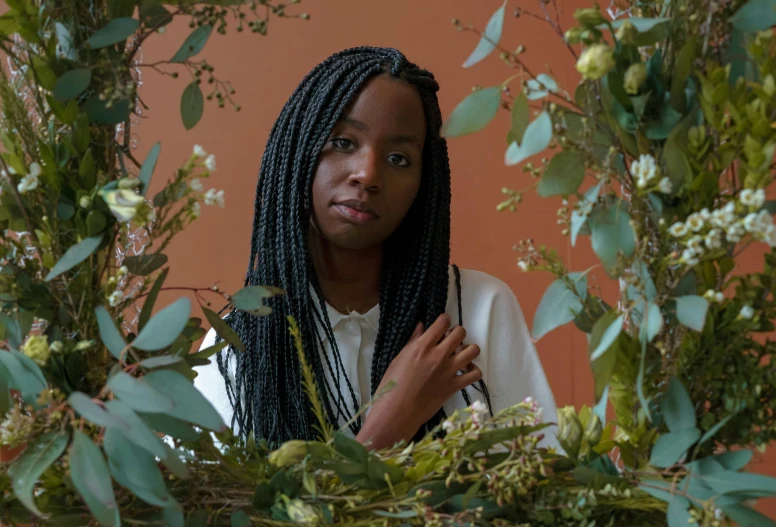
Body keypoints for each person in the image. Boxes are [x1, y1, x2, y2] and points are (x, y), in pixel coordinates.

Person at [194, 47, 557, 451]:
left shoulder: (479, 311)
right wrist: (391, 422)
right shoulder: (240, 341)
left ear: (425, 184)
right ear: (298, 151)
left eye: (399, 158)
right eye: (343, 142)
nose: (367, 174)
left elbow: (545, 492)